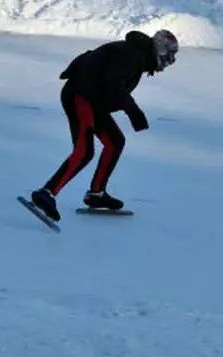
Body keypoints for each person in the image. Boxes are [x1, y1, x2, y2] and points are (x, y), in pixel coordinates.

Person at [29, 29, 179, 221]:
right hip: (81, 96)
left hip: (93, 100)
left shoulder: (137, 55)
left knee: (115, 141)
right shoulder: (132, 55)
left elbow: (110, 84)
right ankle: (47, 193)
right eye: (170, 55)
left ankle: (96, 194)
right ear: (160, 50)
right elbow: (113, 84)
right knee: (84, 151)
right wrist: (134, 111)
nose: (170, 61)